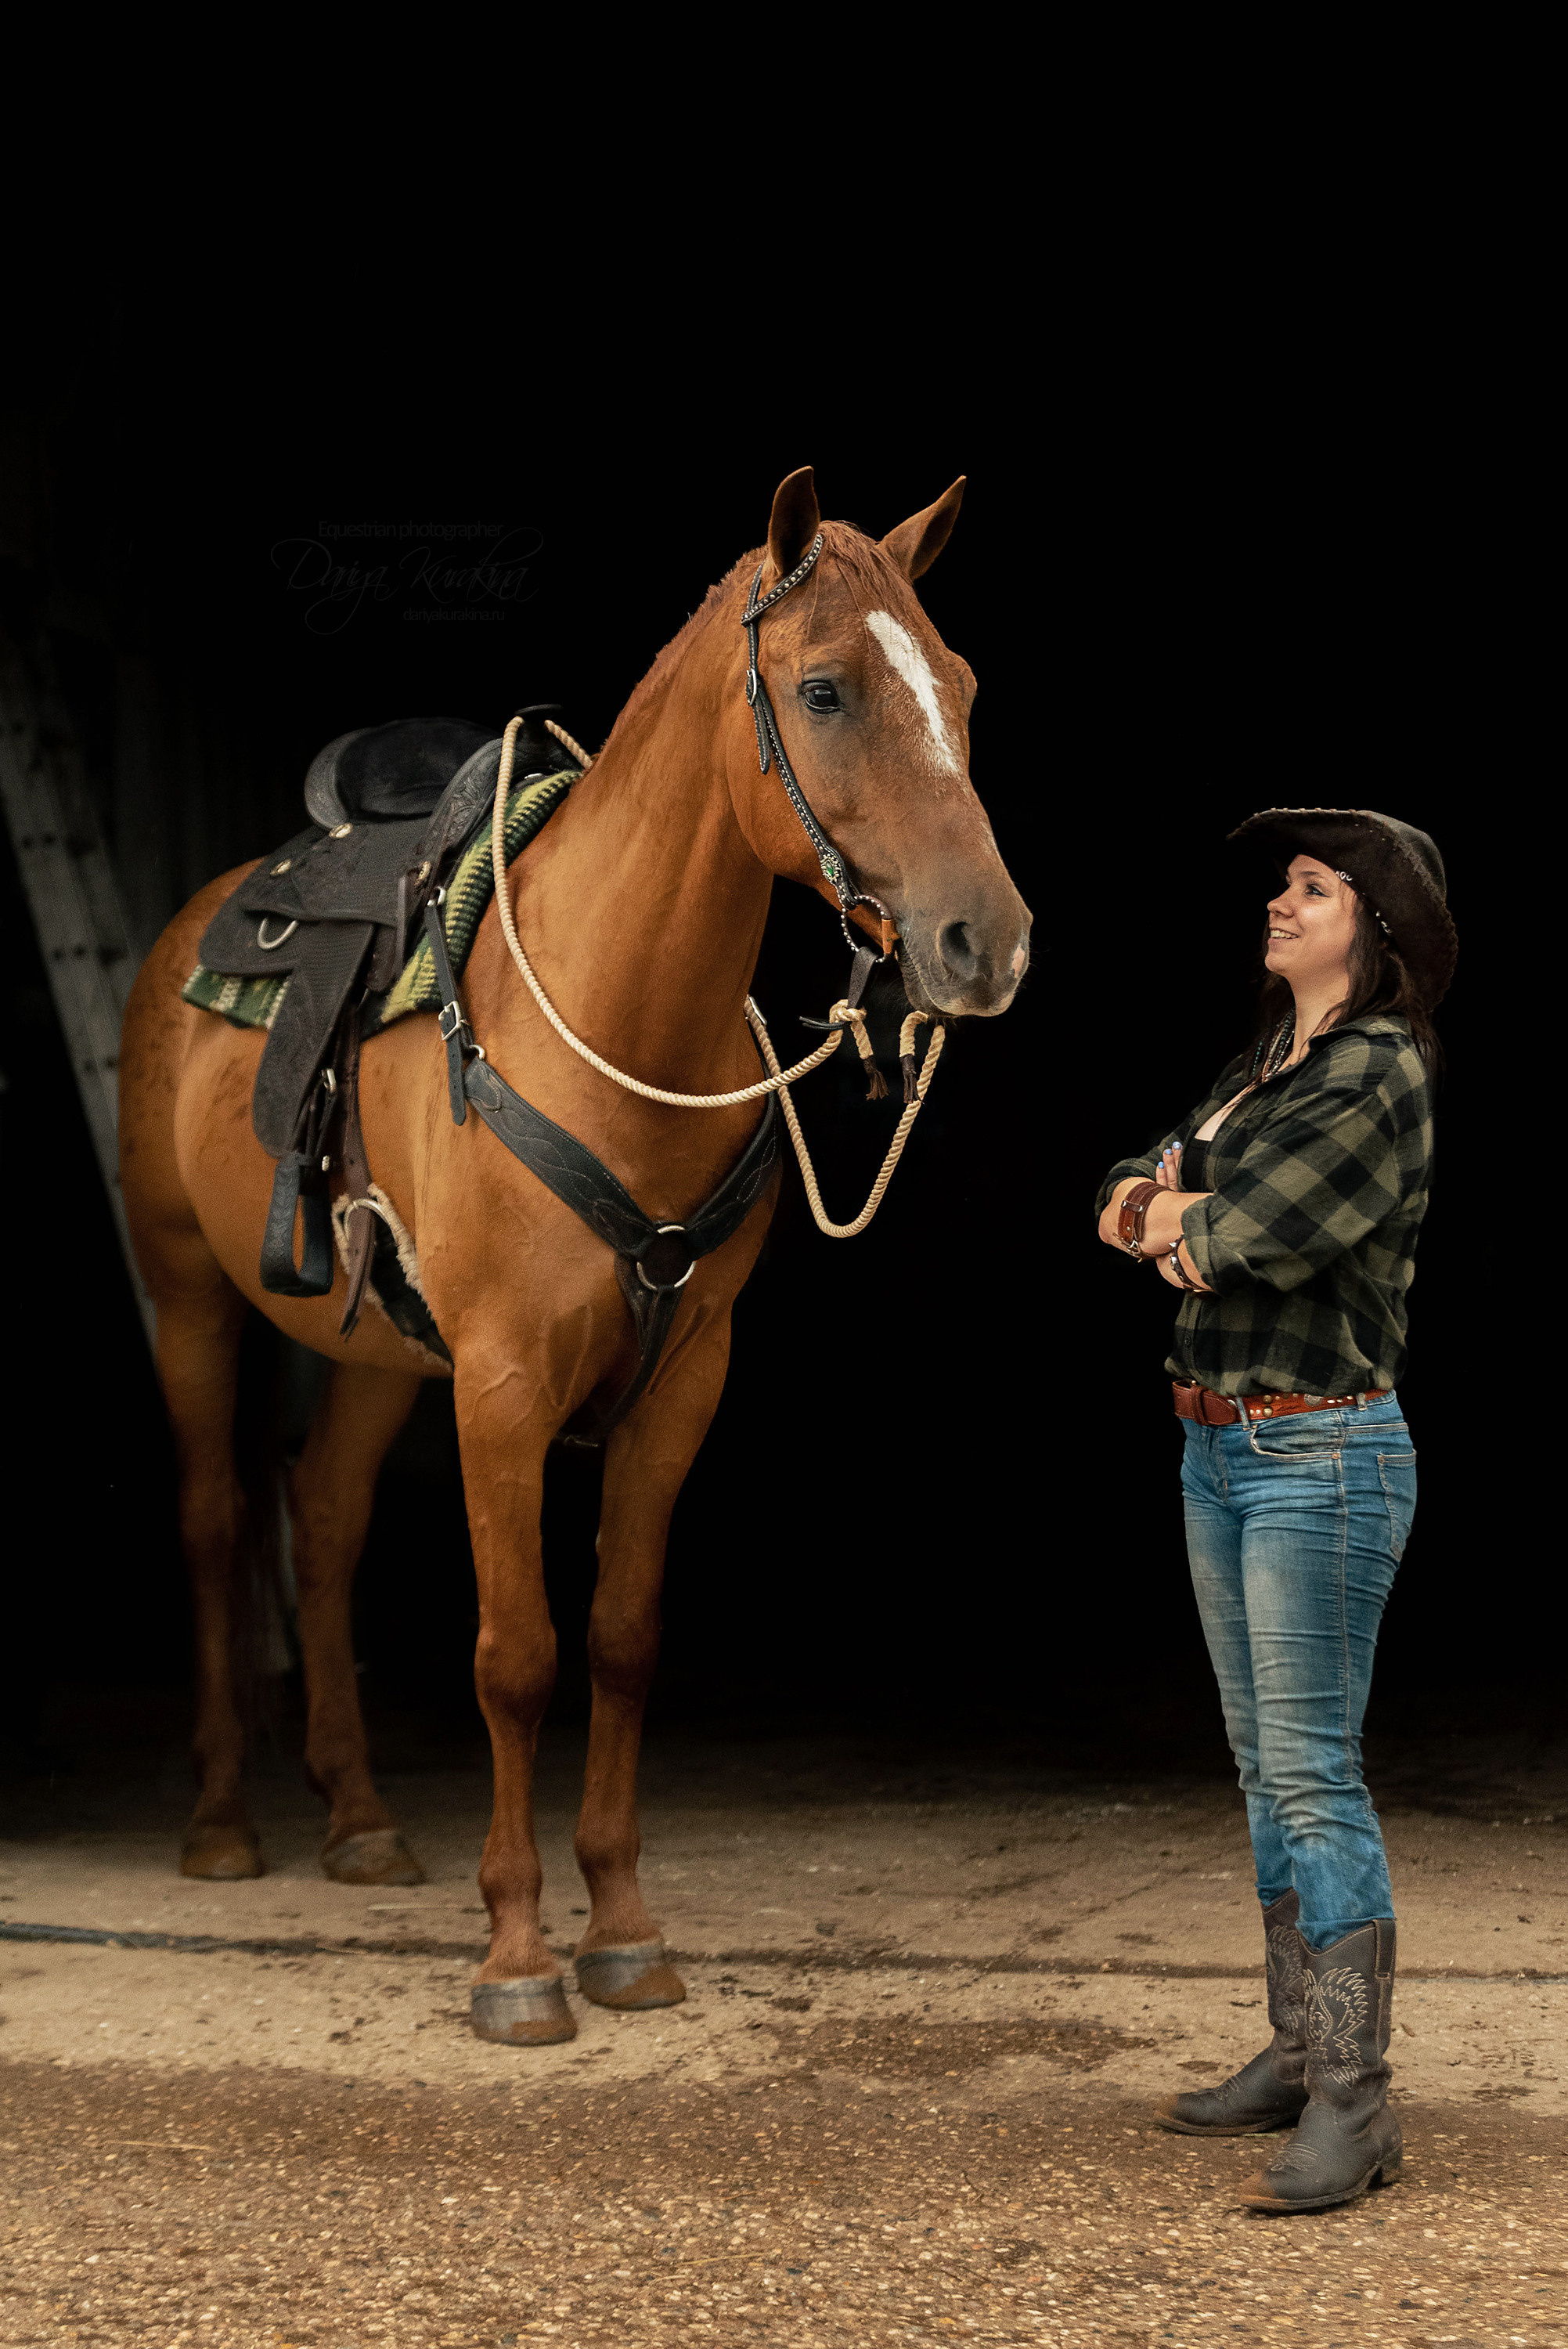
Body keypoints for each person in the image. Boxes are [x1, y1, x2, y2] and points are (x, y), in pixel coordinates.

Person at [1094, 808, 1457, 2215]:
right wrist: (1155, 1208)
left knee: (1312, 1774)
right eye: (1284, 884)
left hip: (1321, 1453)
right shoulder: (1265, 1066)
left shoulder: (1376, 1069)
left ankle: (1357, 2104)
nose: (1282, 901)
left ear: (1377, 926)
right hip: (1217, 1447)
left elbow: (1258, 1239)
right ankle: (1302, 2050)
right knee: (1265, 1771)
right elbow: (1128, 1179)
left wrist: (1177, 1220)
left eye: (1315, 887)